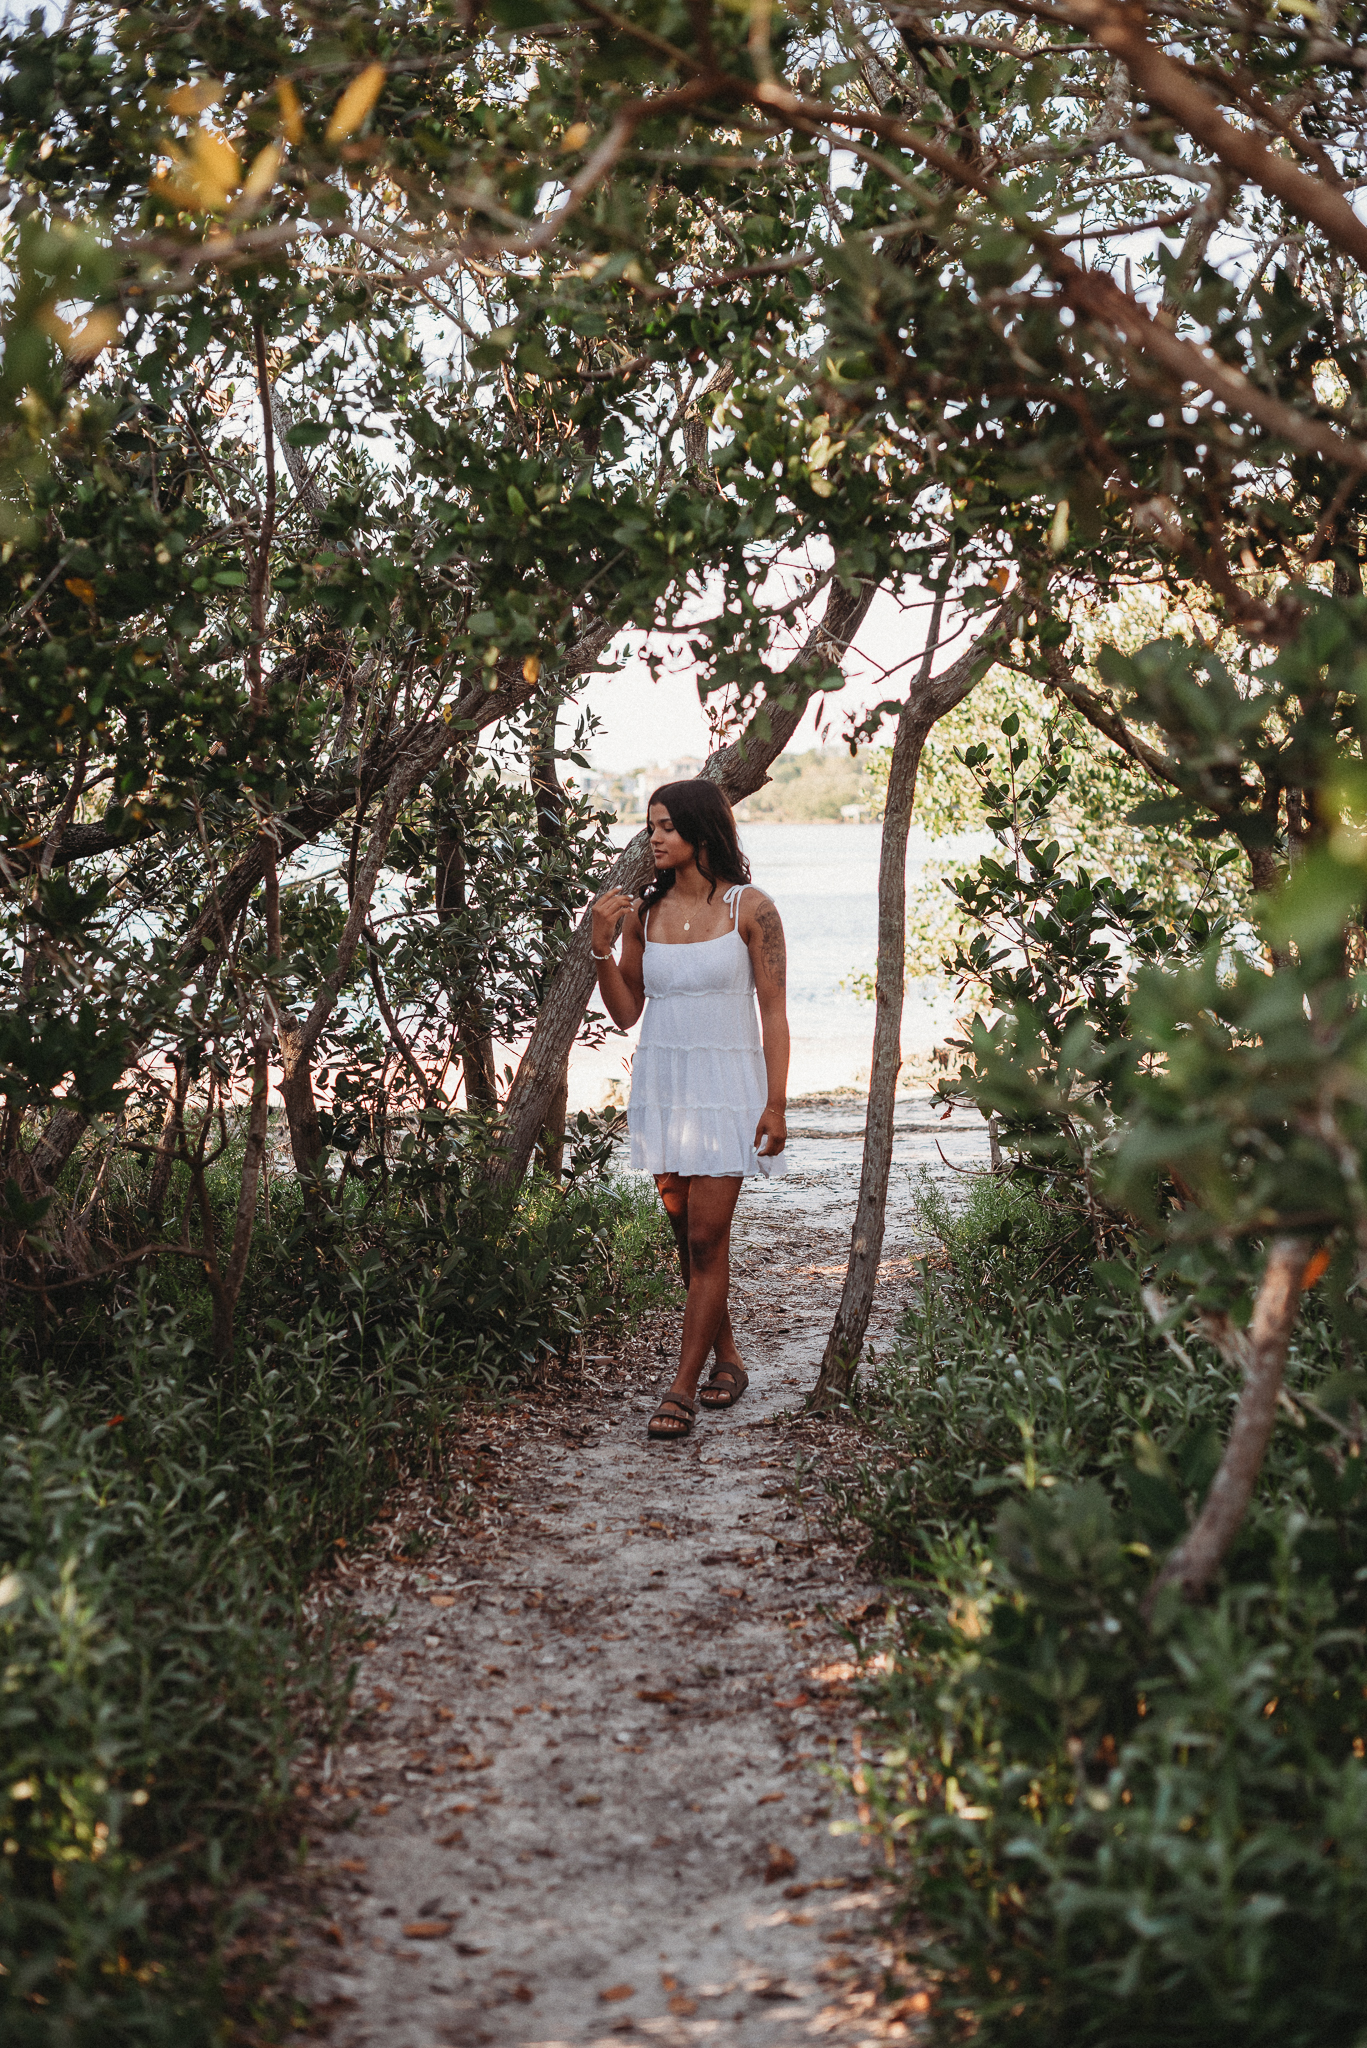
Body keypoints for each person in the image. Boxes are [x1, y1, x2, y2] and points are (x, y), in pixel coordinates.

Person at [590, 779, 790, 1443]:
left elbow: (773, 1012)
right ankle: (726, 1358)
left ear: (702, 831)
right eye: (651, 826)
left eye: (665, 826)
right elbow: (625, 1014)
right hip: (664, 1085)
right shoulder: (641, 916)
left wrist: (776, 1103)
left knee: (706, 1239)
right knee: (687, 1238)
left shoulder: (749, 909)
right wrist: (599, 947)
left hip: (728, 1086)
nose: (653, 838)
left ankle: (679, 1389)